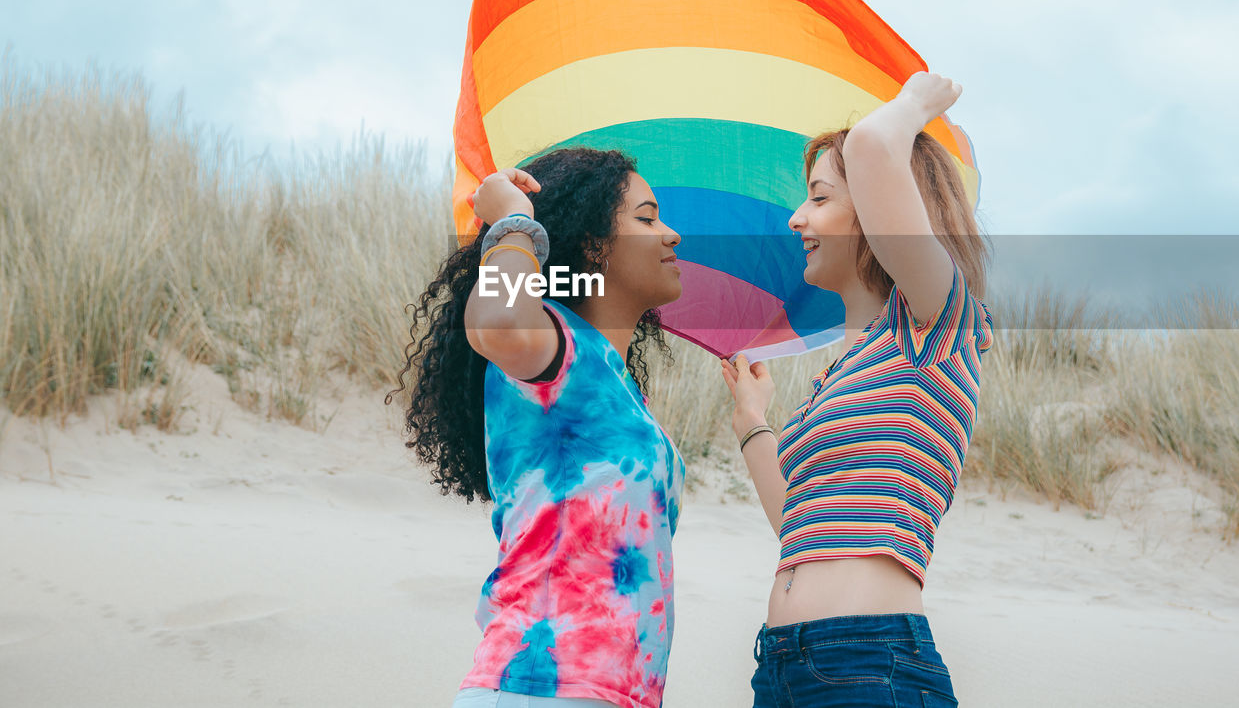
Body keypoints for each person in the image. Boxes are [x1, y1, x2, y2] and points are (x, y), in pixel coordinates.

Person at [720, 72, 993, 707]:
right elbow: (799, 527)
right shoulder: (845, 370)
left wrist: (919, 103)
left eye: (818, 198)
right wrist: (753, 422)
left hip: (871, 661)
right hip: (784, 667)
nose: (797, 218)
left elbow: (872, 146)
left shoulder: (936, 324)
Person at [389, 148, 686, 708]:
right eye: (646, 218)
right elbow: (498, 322)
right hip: (540, 686)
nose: (672, 235)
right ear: (596, 246)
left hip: (613, 692)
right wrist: (513, 222)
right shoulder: (555, 342)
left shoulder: (617, 385)